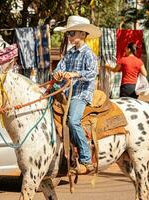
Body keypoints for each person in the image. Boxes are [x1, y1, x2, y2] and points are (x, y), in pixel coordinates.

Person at [52, 15, 101, 174]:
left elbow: (92, 73)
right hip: (67, 92)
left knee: (73, 121)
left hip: (81, 94)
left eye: (71, 33)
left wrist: (73, 74)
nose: (68, 36)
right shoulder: (69, 53)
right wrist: (57, 75)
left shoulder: (89, 54)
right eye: (68, 34)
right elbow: (59, 68)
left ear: (82, 34)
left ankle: (86, 159)